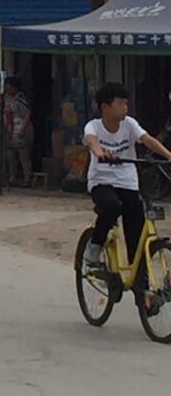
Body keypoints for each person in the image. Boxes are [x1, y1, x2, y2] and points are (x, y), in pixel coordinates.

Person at [83, 82, 171, 267]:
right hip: (102, 183)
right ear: (105, 107)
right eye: (120, 103)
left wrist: (168, 155)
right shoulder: (94, 126)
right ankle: (95, 245)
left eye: (126, 103)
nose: (125, 107)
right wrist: (100, 153)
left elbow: (147, 139)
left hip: (128, 184)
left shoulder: (129, 124)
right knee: (112, 206)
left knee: (136, 231)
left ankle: (139, 278)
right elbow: (91, 141)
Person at [4, 76, 34, 185]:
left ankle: (27, 177)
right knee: (10, 154)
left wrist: (22, 129)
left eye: (10, 88)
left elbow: (27, 114)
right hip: (9, 128)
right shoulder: (6, 98)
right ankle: (12, 177)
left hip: (21, 126)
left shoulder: (21, 98)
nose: (8, 90)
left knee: (23, 154)